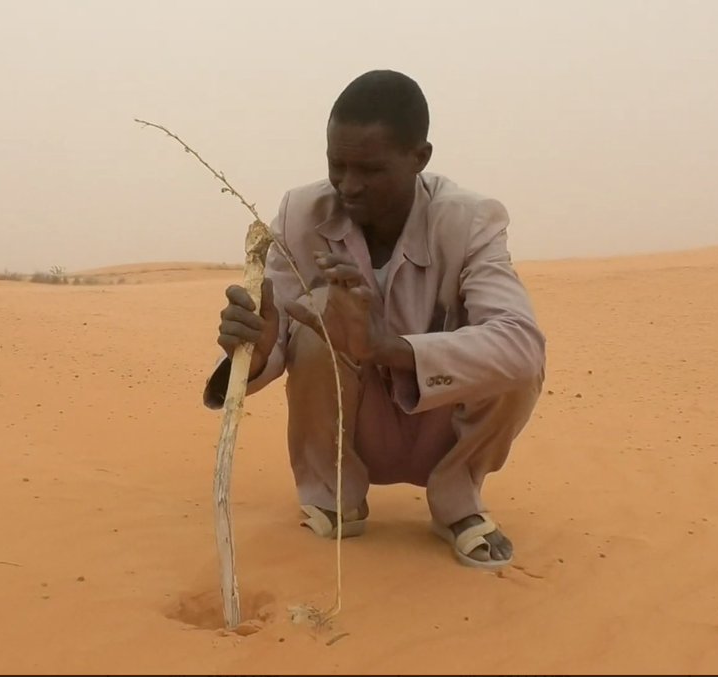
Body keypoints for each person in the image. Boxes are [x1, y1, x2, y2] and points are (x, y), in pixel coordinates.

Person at [202, 69, 546, 569]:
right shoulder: (300, 212)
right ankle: (334, 497)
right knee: (318, 315)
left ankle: (457, 498)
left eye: (369, 169)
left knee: (514, 361)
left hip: (442, 421)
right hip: (356, 423)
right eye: (336, 165)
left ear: (420, 157)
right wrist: (257, 348)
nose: (348, 185)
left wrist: (385, 346)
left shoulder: (470, 220)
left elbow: (521, 345)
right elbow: (275, 332)